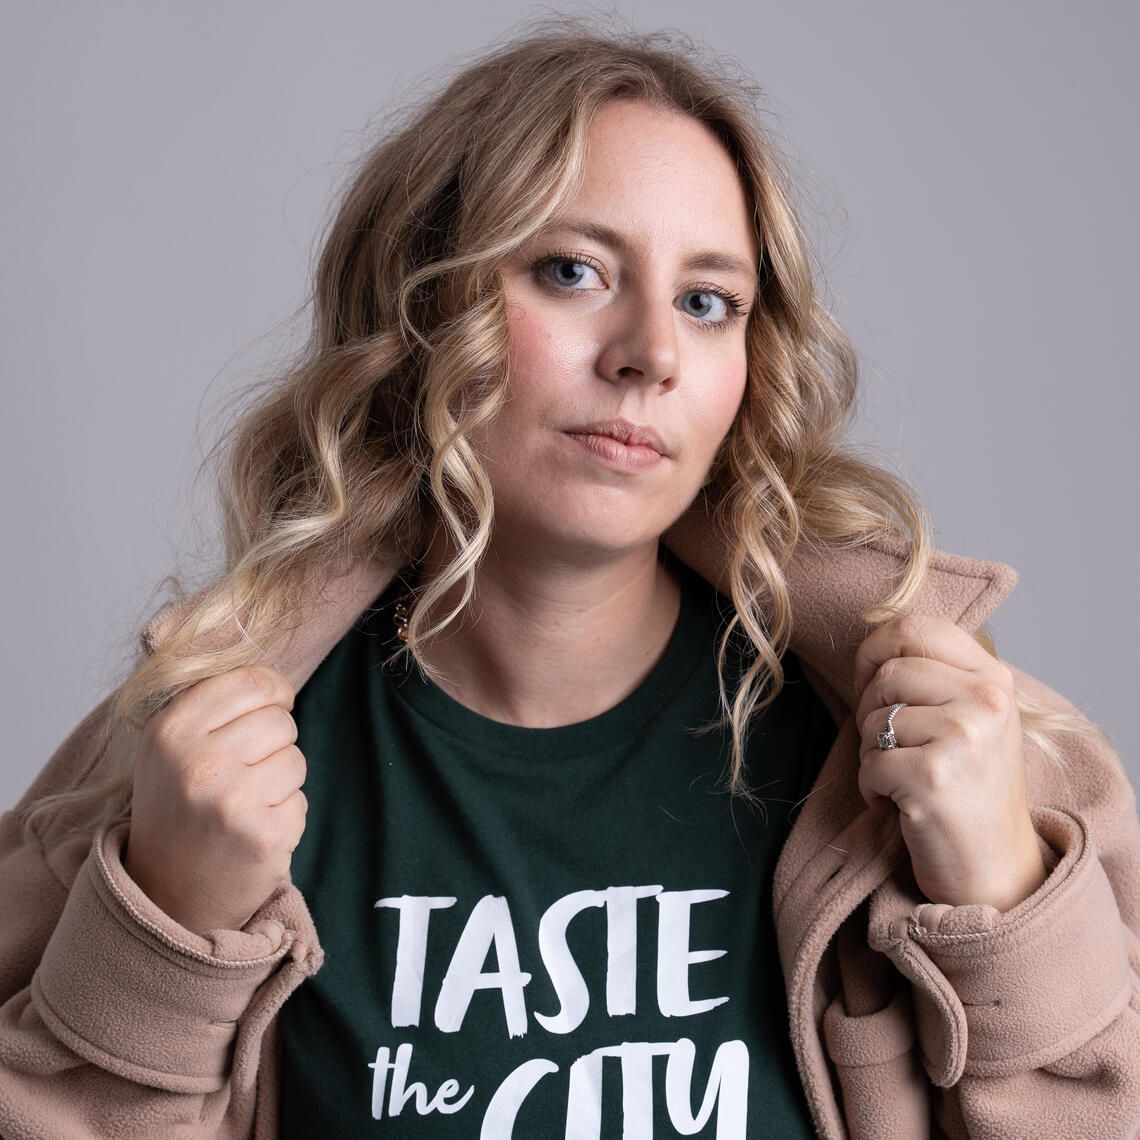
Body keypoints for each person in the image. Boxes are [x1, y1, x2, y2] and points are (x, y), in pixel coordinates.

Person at [2, 21, 1137, 1140]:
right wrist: (164, 935)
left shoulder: (942, 741)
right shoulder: (191, 755)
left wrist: (1004, 907)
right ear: (419, 305)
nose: (651, 351)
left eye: (708, 301)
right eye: (573, 271)